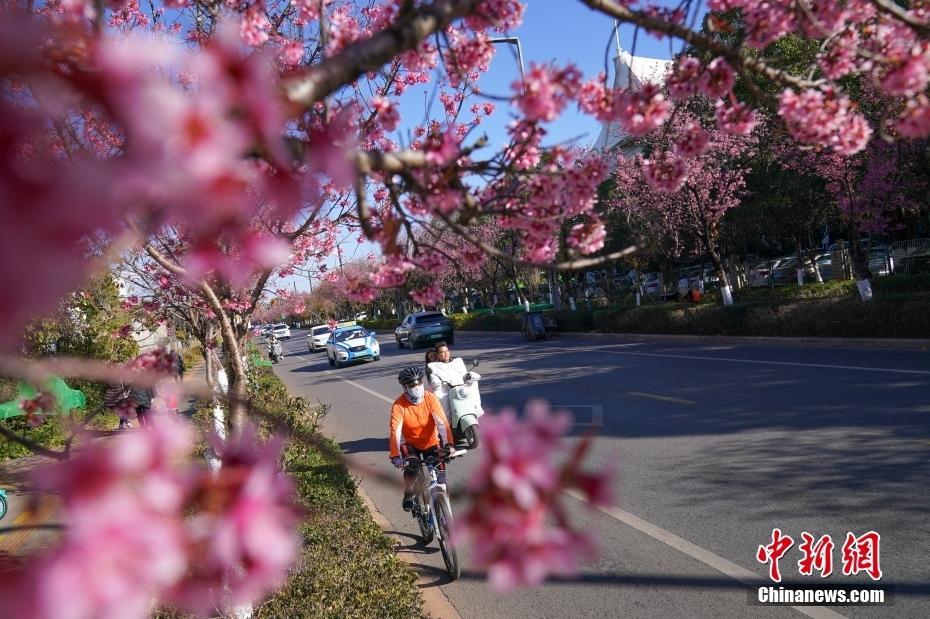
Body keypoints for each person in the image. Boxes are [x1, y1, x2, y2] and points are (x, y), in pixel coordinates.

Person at [389, 366, 454, 511]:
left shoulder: (430, 398)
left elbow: (442, 422)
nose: (417, 387)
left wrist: (449, 445)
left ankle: (445, 515)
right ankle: (409, 492)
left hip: (432, 443)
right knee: (412, 468)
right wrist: (395, 456)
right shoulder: (399, 405)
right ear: (405, 387)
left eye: (419, 383)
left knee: (442, 482)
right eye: (412, 385)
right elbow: (395, 431)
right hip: (411, 445)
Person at [427, 342, 483, 419]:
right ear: (438, 355)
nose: (445, 354)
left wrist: (469, 376)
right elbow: (433, 380)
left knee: (474, 383)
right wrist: (436, 382)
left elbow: (464, 373)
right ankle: (447, 421)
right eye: (442, 352)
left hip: (462, 388)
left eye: (446, 351)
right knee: (439, 395)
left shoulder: (458, 362)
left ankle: (476, 409)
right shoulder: (433, 366)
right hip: (447, 390)